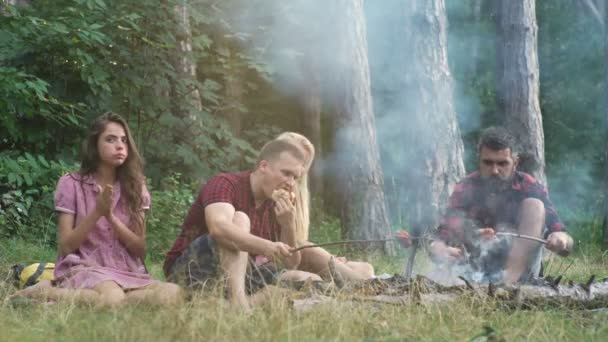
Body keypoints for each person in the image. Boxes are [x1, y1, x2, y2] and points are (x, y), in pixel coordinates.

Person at [10, 112, 183, 307]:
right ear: (94, 145)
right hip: (86, 267)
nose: (120, 146)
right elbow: (66, 246)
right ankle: (49, 292)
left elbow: (140, 250)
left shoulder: (136, 186)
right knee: (113, 299)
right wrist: (97, 212)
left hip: (128, 271)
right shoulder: (71, 184)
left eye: (124, 140)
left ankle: (69, 297)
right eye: (110, 140)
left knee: (173, 293)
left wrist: (109, 216)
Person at [163, 139, 322, 309]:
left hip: (241, 274)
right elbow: (219, 228)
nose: (291, 183)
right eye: (286, 173)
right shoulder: (225, 183)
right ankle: (241, 305)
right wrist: (267, 246)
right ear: (263, 166)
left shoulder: (277, 204)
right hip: (192, 268)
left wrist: (288, 225)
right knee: (240, 219)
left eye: (295, 178)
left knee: (307, 279)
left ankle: (236, 303)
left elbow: (291, 264)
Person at [431, 127, 573, 284]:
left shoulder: (528, 185)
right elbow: (443, 234)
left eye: (502, 163)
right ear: (479, 161)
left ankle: (509, 283)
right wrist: (439, 249)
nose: (495, 171)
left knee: (534, 205)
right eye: (488, 163)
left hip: (522, 270)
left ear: (515, 163)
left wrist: (562, 240)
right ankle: (473, 284)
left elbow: (561, 234)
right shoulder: (466, 187)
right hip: (475, 268)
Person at [274, 132, 375, 281]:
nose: (300, 167)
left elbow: (299, 241)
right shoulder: (271, 189)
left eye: (304, 162)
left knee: (365, 268)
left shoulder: (296, 194)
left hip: (299, 260)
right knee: (309, 250)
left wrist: (330, 258)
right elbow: (292, 249)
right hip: (280, 263)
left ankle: (356, 282)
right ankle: (367, 287)